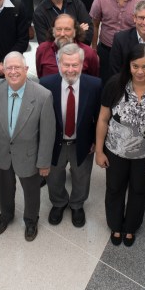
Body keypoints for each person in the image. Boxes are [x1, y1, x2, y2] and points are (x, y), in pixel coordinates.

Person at [95, 43, 145, 247]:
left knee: (139, 191)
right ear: (128, 65)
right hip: (115, 151)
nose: (140, 71)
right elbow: (103, 119)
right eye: (135, 66)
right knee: (114, 189)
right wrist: (99, 150)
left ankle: (131, 227)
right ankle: (115, 225)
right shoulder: (115, 84)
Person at [0, 52, 56, 242]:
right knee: (4, 187)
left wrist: (44, 162)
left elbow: (47, 133)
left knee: (31, 191)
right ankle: (6, 215)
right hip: (1, 151)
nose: (13, 72)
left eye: (17, 67)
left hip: (29, 155)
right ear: (3, 71)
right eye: (9, 68)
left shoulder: (43, 96)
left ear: (26, 69)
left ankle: (30, 220)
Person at [42, 44, 103, 228]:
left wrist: (95, 141)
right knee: (54, 177)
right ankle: (59, 202)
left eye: (74, 65)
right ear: (58, 63)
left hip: (82, 142)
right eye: (66, 64)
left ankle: (77, 204)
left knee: (81, 176)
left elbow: (100, 116)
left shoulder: (94, 85)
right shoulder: (46, 84)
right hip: (55, 142)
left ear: (82, 64)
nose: (70, 70)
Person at [90, 0, 143, 80]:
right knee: (103, 85)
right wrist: (94, 50)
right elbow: (95, 24)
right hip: (105, 50)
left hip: (129, 53)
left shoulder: (140, 2)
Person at [36, 13, 101, 78]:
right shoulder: (42, 49)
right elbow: (40, 77)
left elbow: (93, 80)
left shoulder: (89, 53)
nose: (62, 34)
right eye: (58, 29)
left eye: (67, 29)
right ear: (53, 31)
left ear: (75, 31)